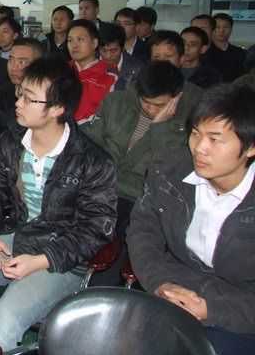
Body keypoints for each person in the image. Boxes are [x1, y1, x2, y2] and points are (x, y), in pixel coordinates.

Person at [0, 57, 117, 354]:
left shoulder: (92, 161)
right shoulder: (12, 141)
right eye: (19, 93)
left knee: (5, 317)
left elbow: (94, 229)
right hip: (15, 239)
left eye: (28, 98)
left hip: (61, 259)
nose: (18, 103)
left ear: (58, 108)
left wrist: (39, 261)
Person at [127, 84, 255, 355]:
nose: (200, 148)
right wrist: (160, 283)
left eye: (215, 139)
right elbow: (143, 232)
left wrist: (211, 309)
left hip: (238, 314)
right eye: (196, 134)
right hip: (172, 290)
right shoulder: (169, 170)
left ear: (250, 147)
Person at [84, 61, 202, 231]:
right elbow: (90, 145)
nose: (151, 109)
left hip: (140, 199)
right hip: (100, 187)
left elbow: (168, 171)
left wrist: (160, 127)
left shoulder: (189, 123)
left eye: (160, 105)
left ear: (177, 97)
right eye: (146, 102)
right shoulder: (115, 102)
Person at [0, 39, 43, 141]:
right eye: (11, 60)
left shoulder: (44, 101)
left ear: (39, 65)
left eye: (21, 62)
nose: (13, 67)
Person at [67, 19, 115, 123]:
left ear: (94, 43)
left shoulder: (110, 76)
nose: (74, 45)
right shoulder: (60, 72)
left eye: (80, 39)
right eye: (70, 40)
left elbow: (110, 116)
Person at [99, 23, 143, 92]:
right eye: (104, 50)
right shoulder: (90, 63)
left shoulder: (138, 68)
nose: (108, 56)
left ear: (122, 48)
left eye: (113, 51)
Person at [205, 13, 246, 82]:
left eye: (226, 27)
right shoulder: (204, 51)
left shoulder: (240, 52)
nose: (221, 31)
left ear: (231, 29)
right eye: (217, 27)